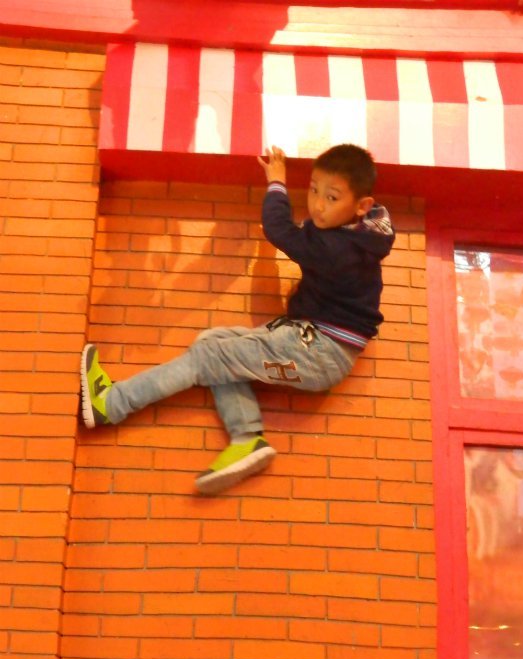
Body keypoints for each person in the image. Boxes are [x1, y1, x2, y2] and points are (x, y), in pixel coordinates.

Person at [80, 143, 395, 495]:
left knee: (209, 357)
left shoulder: (337, 248)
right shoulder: (359, 236)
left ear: (362, 206)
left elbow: (279, 230)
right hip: (308, 340)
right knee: (212, 343)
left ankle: (110, 404)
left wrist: (276, 181)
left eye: (332, 197)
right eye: (313, 190)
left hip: (319, 351)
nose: (318, 205)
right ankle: (246, 438)